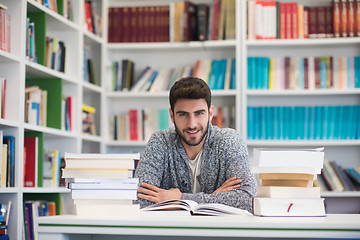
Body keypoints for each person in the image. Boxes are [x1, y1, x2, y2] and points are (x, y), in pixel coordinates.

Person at [134, 76, 256, 213]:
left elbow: (248, 199)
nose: (191, 124)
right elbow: (138, 200)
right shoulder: (160, 142)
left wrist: (181, 199)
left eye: (199, 113)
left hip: (219, 232)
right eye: (183, 114)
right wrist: (214, 198)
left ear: (210, 114)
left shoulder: (228, 141)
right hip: (169, 231)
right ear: (172, 116)